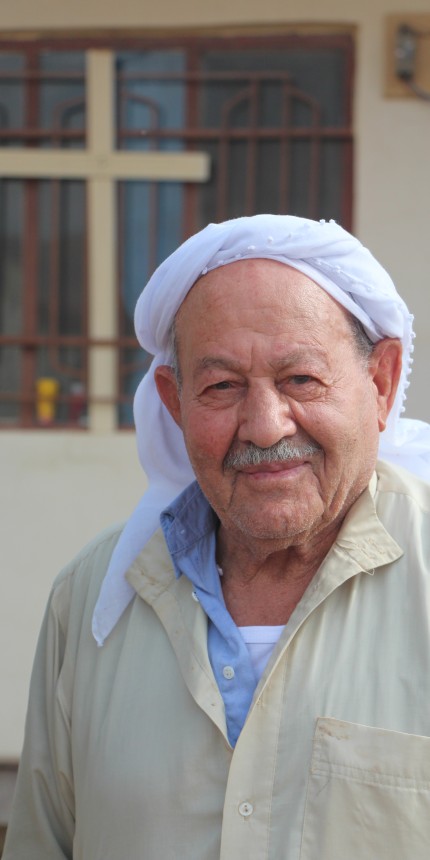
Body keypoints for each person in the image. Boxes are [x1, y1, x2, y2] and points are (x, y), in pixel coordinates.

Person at [4, 214, 430, 860]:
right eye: (222, 386)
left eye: (301, 379)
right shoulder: (90, 599)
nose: (264, 425)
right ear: (174, 403)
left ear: (381, 382)